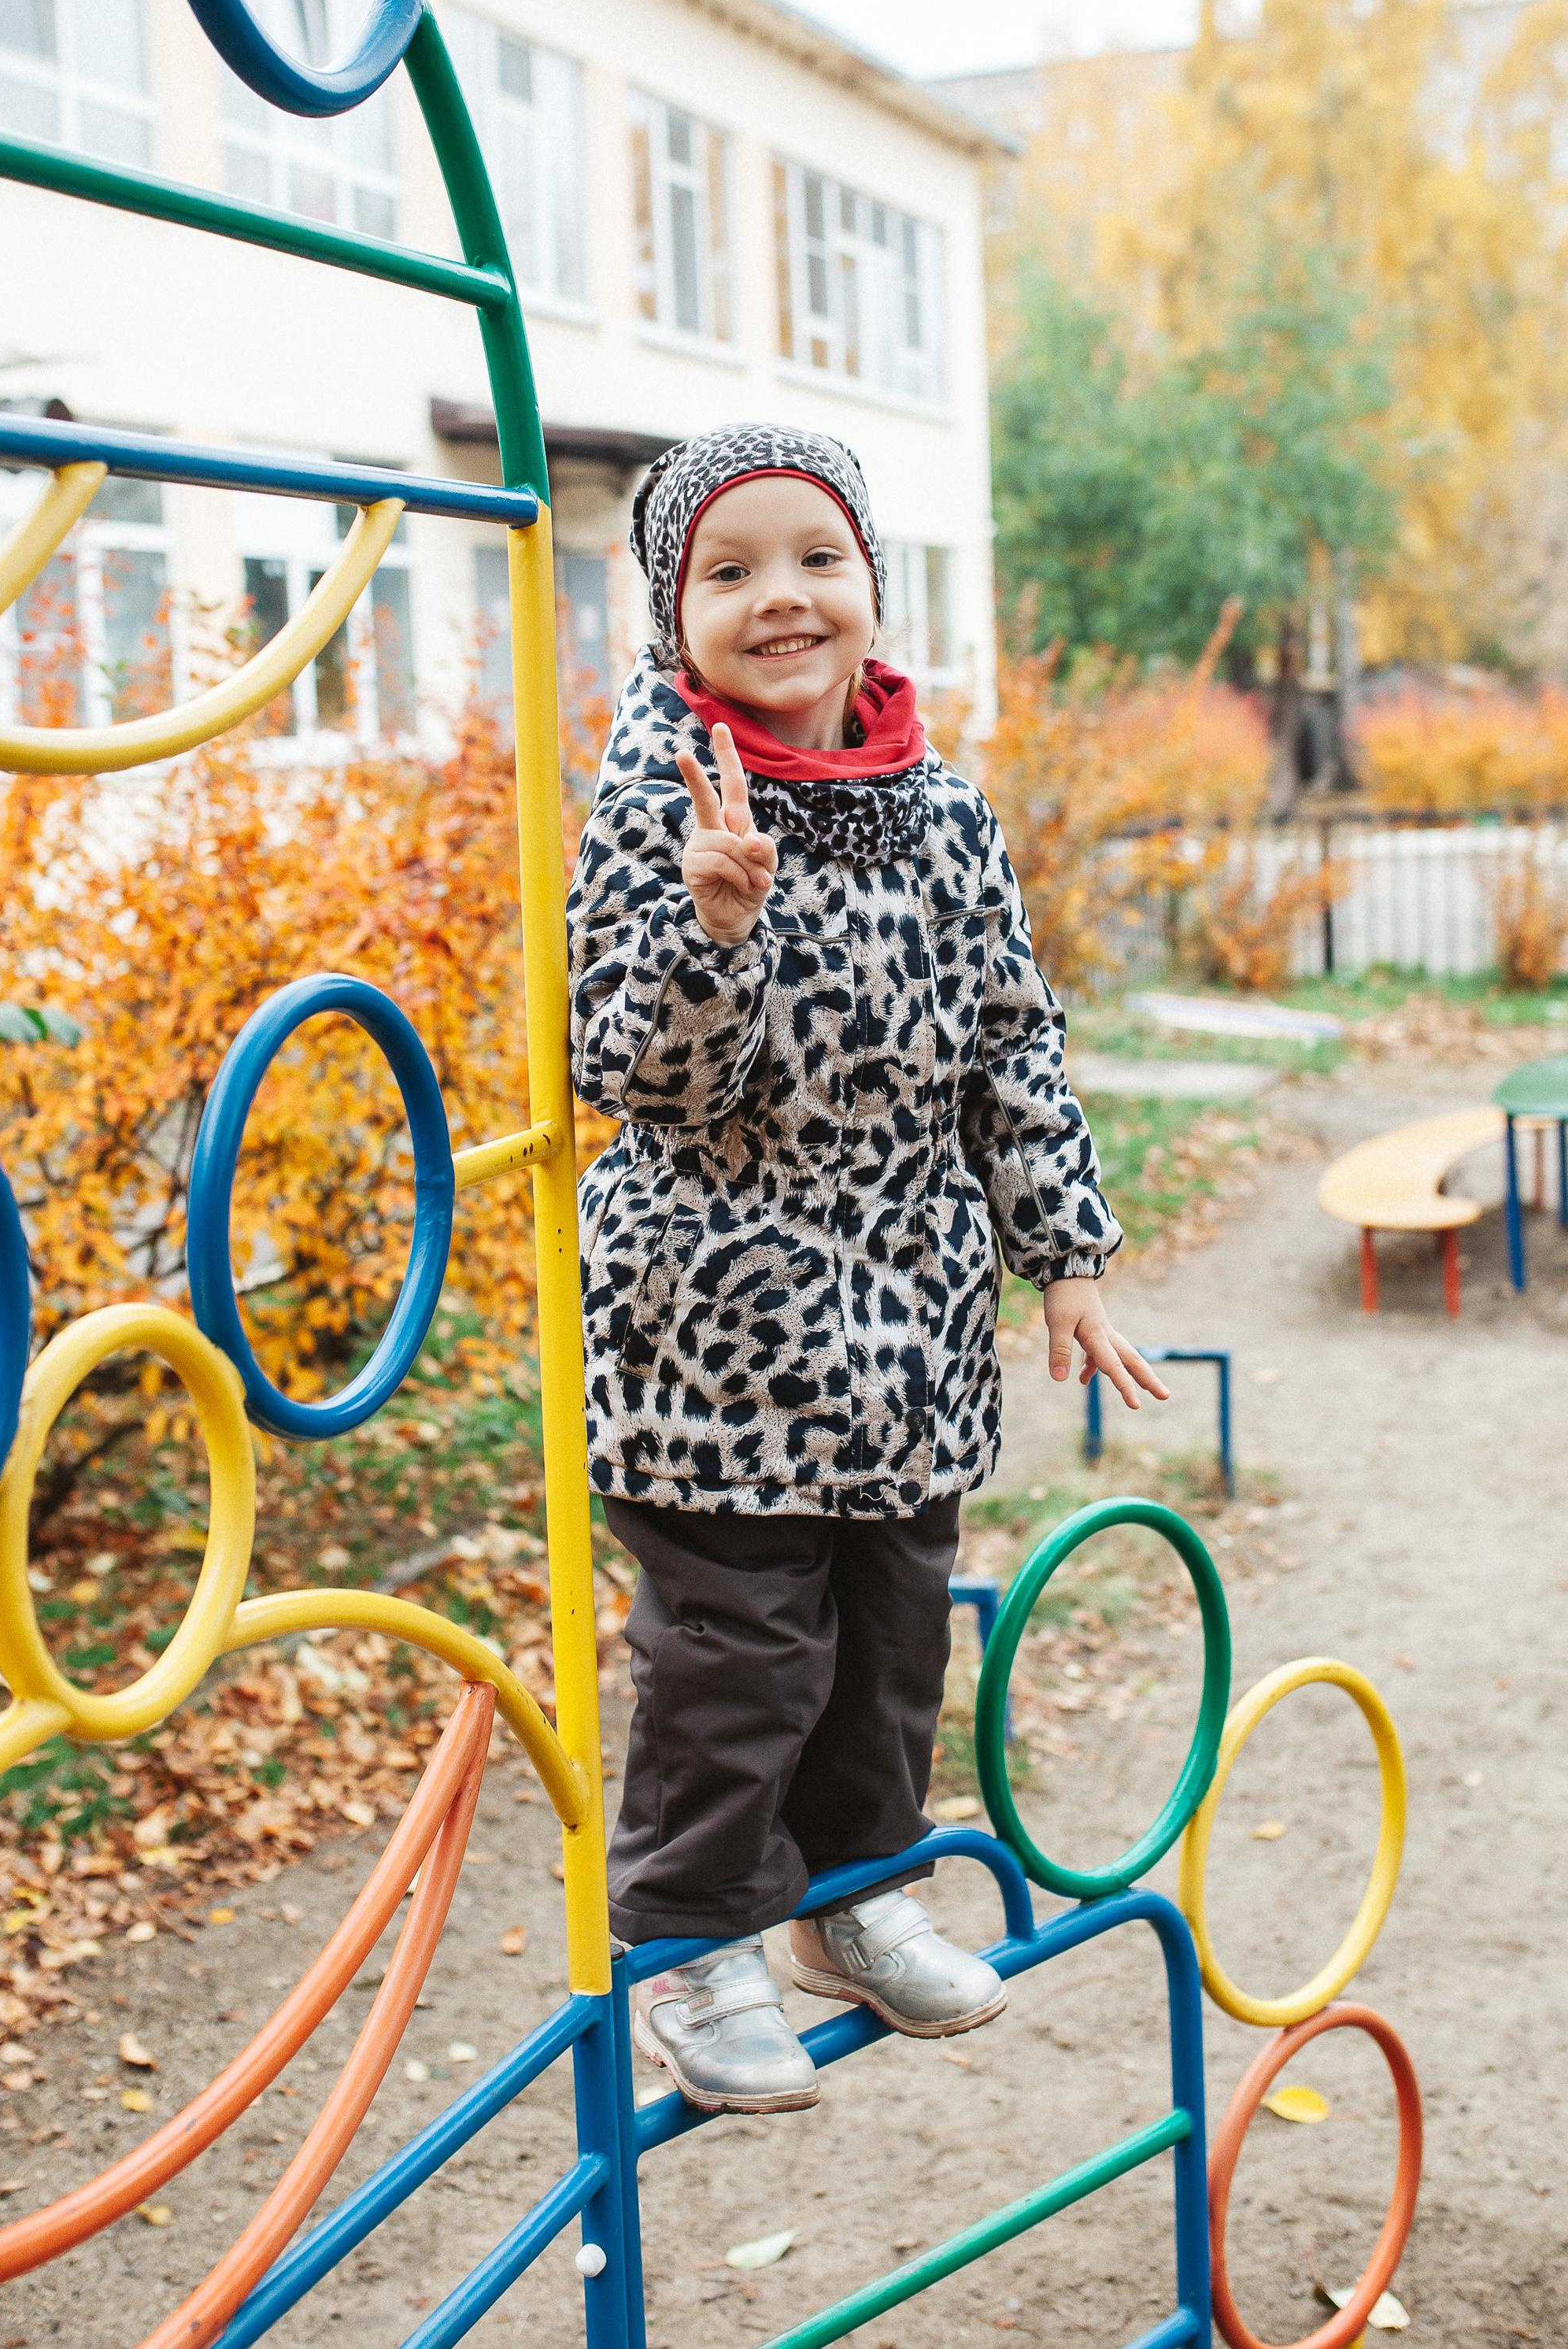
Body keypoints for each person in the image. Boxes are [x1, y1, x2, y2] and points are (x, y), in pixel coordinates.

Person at [567, 422, 1165, 2114]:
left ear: (871, 590)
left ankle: (856, 1895)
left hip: (908, 1331)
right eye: (731, 570)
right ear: (674, 610)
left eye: (815, 560)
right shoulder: (658, 791)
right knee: (738, 1659)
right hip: (719, 1339)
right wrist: (721, 929)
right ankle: (691, 1945)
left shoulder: (940, 808)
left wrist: (1067, 1254)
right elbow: (633, 1070)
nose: (782, 599)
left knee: (891, 1642)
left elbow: (1008, 1041)